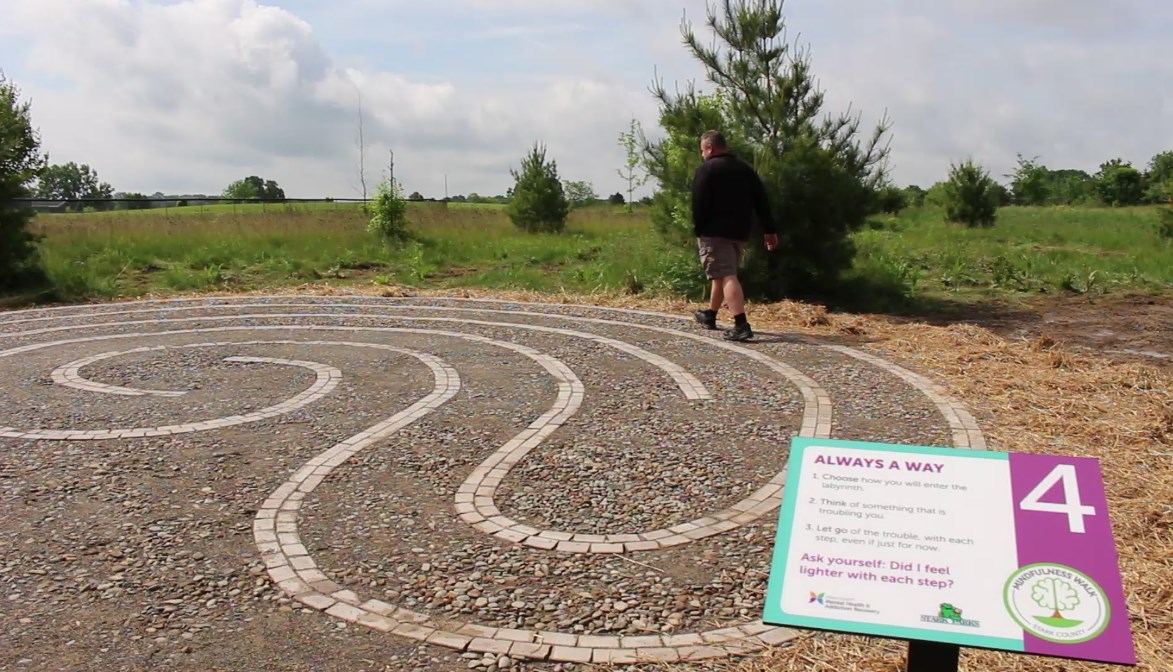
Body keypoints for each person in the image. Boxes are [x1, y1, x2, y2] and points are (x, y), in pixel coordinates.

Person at [690, 130, 777, 341]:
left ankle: (741, 324)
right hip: (739, 232)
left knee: (727, 275)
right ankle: (710, 315)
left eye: (702, 150)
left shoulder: (707, 169)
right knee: (722, 272)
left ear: (709, 148)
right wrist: (769, 229)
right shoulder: (745, 169)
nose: (702, 154)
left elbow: (699, 203)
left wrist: (697, 229)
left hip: (714, 232)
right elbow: (761, 200)